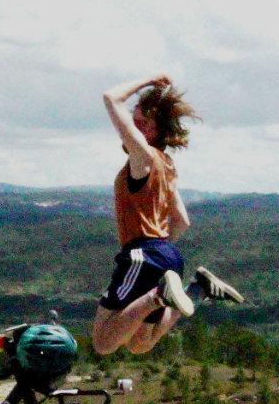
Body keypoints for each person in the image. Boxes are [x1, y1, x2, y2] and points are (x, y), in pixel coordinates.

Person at [92, 73, 244, 355]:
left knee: (103, 343)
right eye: (134, 121)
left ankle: (159, 295)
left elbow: (111, 98)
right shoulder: (167, 165)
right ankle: (196, 290)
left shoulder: (143, 157)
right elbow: (182, 221)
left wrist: (148, 80)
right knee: (139, 344)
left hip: (144, 253)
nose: (134, 127)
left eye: (141, 123)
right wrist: (161, 256)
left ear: (155, 132)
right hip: (166, 254)